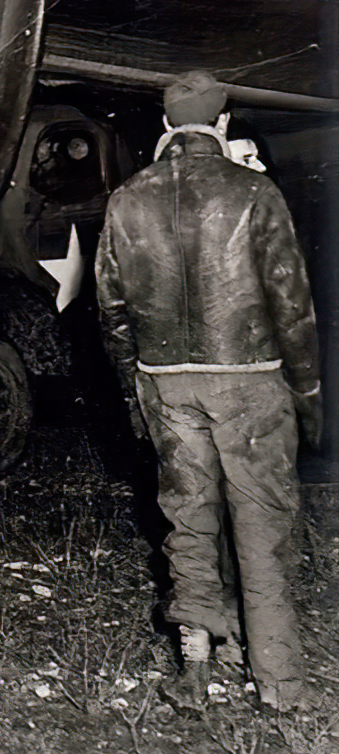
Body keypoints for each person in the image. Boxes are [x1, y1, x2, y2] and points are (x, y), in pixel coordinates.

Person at [95, 71, 321, 713]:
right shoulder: (255, 191)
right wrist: (308, 398)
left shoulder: (127, 199)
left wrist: (136, 395)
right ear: (221, 126)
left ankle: (195, 670)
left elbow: (110, 314)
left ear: (167, 128)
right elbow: (292, 305)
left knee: (188, 522)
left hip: (166, 384)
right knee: (262, 525)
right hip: (248, 382)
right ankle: (278, 684)